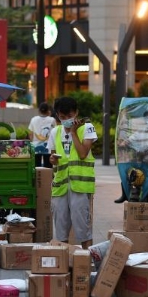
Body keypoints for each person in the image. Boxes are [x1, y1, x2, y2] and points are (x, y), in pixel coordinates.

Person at [47, 96, 97, 249]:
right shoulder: (55, 132)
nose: (67, 120)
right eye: (62, 117)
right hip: (60, 186)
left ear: (76, 113)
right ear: (57, 116)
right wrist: (53, 160)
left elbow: (82, 154)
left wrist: (74, 132)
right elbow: (53, 157)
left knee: (83, 228)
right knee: (61, 228)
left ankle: (86, 260)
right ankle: (64, 262)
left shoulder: (87, 128)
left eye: (70, 116)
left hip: (80, 186)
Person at [28, 102, 56, 166]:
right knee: (48, 167)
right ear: (48, 110)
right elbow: (55, 131)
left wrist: (32, 142)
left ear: (39, 110)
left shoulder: (33, 119)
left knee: (36, 166)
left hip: (35, 147)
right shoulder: (52, 120)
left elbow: (30, 134)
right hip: (48, 147)